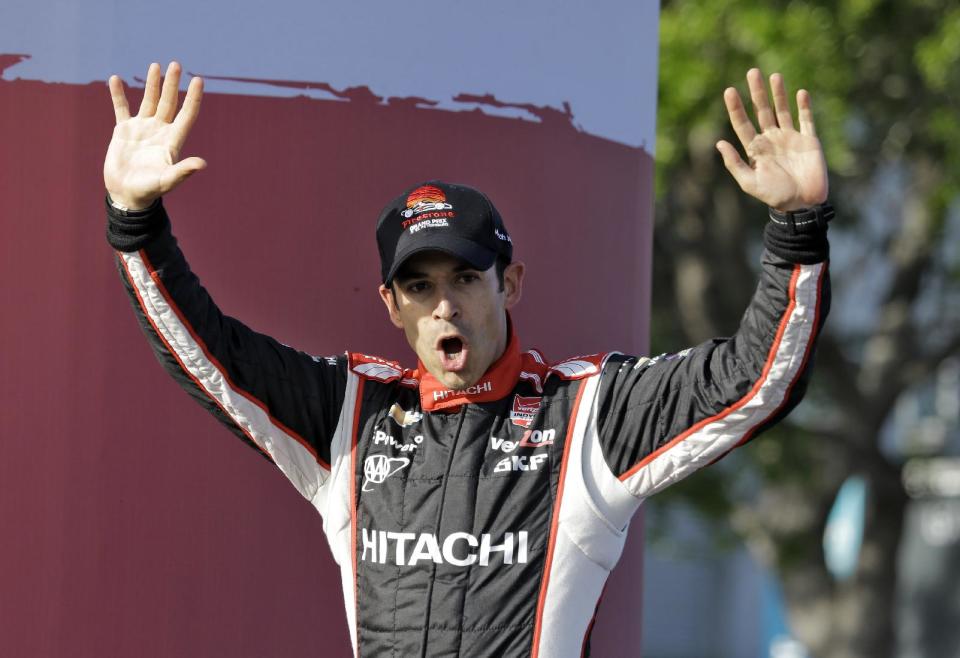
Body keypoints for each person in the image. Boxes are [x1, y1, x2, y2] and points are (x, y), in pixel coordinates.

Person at [103, 61, 831, 657]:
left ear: (508, 283)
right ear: (392, 306)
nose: (443, 305)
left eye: (464, 279)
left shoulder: (586, 413)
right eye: (419, 286)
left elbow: (753, 379)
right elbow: (211, 356)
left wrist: (795, 229)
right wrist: (136, 225)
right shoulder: (353, 413)